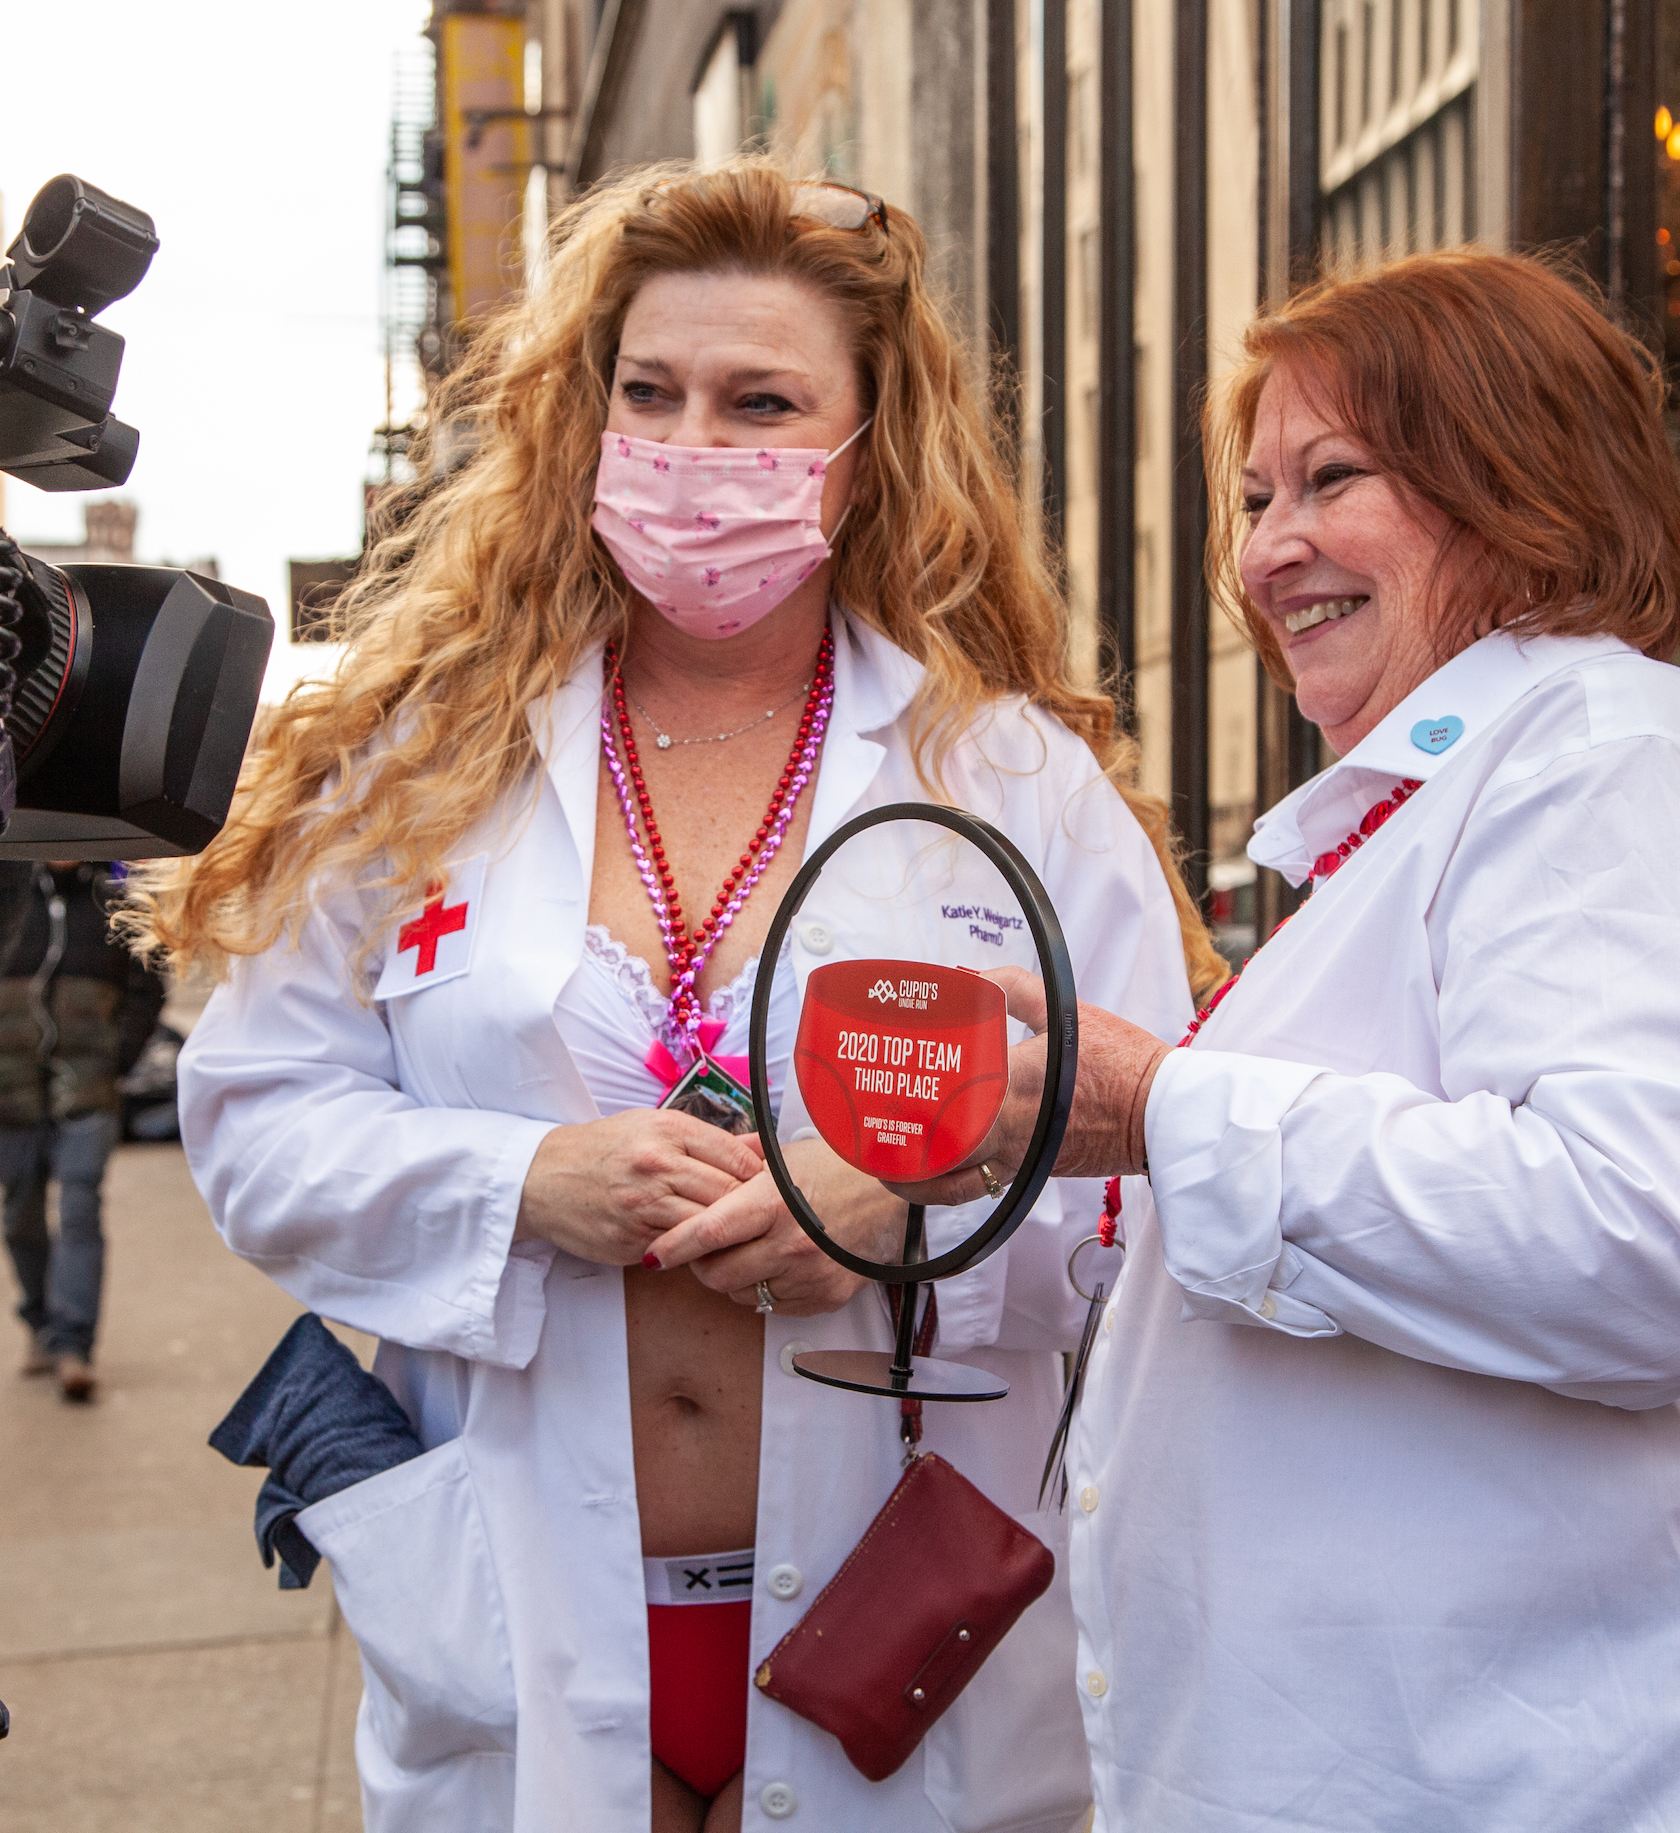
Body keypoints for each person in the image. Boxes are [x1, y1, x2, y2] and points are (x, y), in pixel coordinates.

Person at [154, 160, 1211, 1833]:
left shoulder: (1012, 784)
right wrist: (518, 1185)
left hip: (902, 1636)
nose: (694, 449)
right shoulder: (421, 767)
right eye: (649, 394)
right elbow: (254, 1121)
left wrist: (908, 1207)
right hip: (522, 1624)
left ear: (867, 455)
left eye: (761, 402)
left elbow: (1153, 1179)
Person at [910, 250, 1680, 1829]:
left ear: (1521, 481)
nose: (1271, 549)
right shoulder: (1479, 792)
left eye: (1333, 481)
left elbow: (1671, 1241)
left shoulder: (1615, 765)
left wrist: (1162, 1109)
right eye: (1259, 495)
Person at [0, 858, 160, 1402]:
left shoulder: (116, 899)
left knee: (81, 1210)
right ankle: (39, 1323)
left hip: (90, 1092)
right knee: (19, 1213)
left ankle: (75, 1344)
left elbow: (149, 984)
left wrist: (119, 1058)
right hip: (5, 1090)